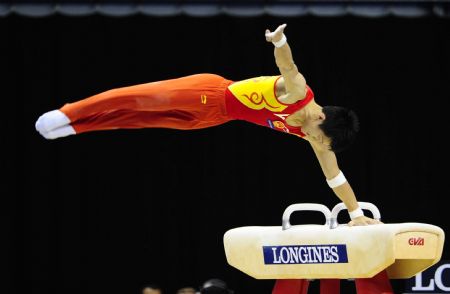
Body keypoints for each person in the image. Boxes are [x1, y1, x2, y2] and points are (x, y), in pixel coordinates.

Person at [35, 24, 380, 226]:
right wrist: (279, 42)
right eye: (318, 138)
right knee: (135, 98)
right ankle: (70, 112)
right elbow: (289, 67)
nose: (313, 142)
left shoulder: (316, 137)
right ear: (321, 118)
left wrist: (355, 212)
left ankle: (76, 128)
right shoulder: (299, 94)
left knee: (139, 120)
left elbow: (334, 176)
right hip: (207, 91)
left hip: (214, 118)